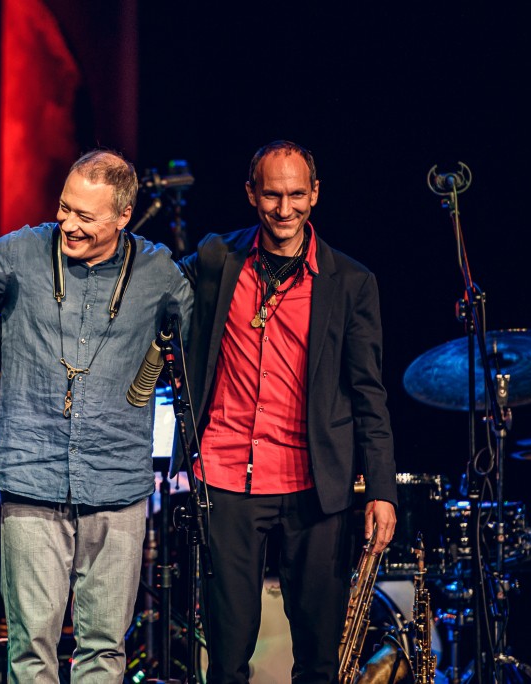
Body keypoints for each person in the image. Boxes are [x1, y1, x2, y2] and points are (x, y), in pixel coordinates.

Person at [179, 140, 398, 683]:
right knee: (226, 658)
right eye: (272, 195)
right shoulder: (217, 260)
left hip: (314, 484)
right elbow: (150, 279)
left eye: (296, 195)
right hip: (227, 475)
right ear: (251, 194)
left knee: (319, 661)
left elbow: (369, 394)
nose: (284, 209)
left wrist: (382, 490)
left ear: (315, 193)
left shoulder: (350, 283)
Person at [0, 150, 193, 682]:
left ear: (123, 216)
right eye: (64, 208)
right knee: (31, 647)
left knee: (104, 649)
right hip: (31, 476)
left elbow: (203, 341)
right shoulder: (20, 252)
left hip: (117, 483)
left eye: (85, 216)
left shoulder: (159, 273)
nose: (68, 224)